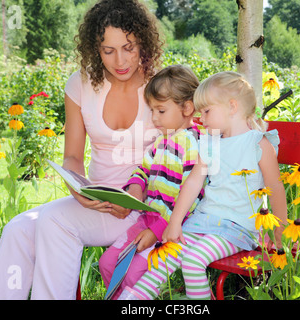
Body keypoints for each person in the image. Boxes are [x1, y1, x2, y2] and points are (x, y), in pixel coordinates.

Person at [0, 0, 163, 300]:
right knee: (18, 229)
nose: (120, 60)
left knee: (53, 221)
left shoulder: (163, 84)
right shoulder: (81, 84)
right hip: (98, 203)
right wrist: (78, 189)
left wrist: (135, 199)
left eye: (128, 47)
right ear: (95, 48)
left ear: (142, 40)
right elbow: (74, 157)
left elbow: (186, 154)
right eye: (108, 50)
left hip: (148, 207)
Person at [119, 71, 287, 300]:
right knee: (163, 257)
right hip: (202, 220)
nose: (202, 119)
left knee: (192, 261)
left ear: (232, 107)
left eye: (207, 111)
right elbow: (193, 182)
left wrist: (280, 232)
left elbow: (276, 188)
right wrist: (175, 222)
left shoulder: (257, 143)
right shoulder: (210, 142)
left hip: (236, 227)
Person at [98, 65, 207, 299]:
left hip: (170, 229)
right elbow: (142, 170)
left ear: (187, 108)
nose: (154, 118)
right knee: (107, 263)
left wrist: (156, 232)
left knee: (134, 273)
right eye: (152, 111)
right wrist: (135, 190)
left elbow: (192, 198)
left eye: (161, 110)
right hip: (146, 220)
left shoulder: (192, 144)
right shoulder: (161, 142)